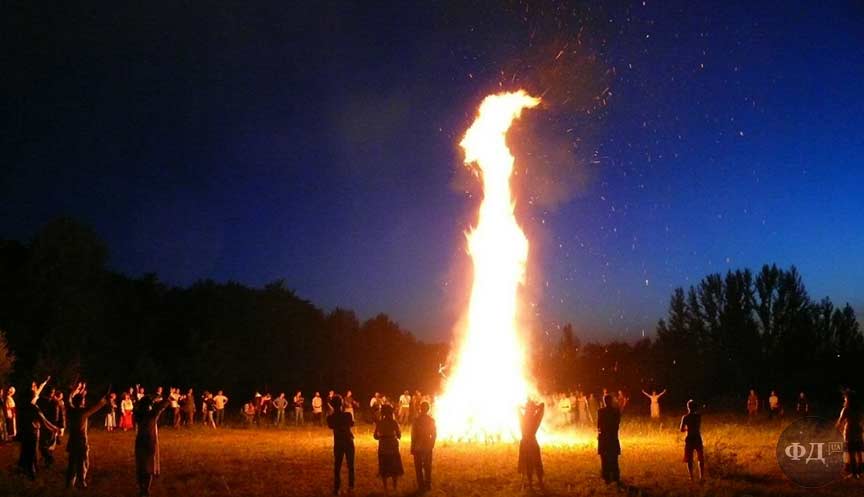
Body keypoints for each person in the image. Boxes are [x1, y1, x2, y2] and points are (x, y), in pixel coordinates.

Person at [65, 383, 108, 488]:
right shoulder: (83, 412)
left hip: (72, 440)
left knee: (72, 461)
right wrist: (104, 399)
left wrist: (73, 391)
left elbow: (68, 399)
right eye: (83, 400)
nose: (85, 402)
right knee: (83, 460)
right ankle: (81, 480)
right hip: (81, 440)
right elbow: (97, 406)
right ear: (81, 402)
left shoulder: (71, 410)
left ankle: (70, 482)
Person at [19, 377, 60, 479]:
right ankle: (32, 473)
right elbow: (44, 420)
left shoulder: (23, 406)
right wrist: (54, 428)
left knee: (25, 450)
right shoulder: (34, 407)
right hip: (32, 432)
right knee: (32, 452)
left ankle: (24, 469)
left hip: (25, 432)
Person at [134, 395, 171, 497]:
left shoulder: (138, 414)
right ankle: (145, 490)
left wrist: (151, 401)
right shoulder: (151, 415)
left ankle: (142, 489)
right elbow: (161, 406)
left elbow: (138, 406)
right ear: (149, 405)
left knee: (140, 466)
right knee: (148, 467)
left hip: (140, 441)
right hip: (149, 442)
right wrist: (167, 399)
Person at [327, 395, 355, 495]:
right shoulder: (347, 415)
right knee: (351, 465)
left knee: (337, 466)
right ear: (342, 403)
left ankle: (337, 487)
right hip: (348, 441)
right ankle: (351, 487)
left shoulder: (330, 418)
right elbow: (352, 423)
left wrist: (332, 412)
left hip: (338, 443)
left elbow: (330, 425)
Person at [374, 404, 404, 494]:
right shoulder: (394, 422)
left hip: (383, 446)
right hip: (393, 446)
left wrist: (381, 437)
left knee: (384, 466)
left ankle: (385, 487)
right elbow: (399, 435)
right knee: (394, 466)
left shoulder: (380, 422)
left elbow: (375, 436)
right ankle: (394, 486)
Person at [518, 399, 545, 490]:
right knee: (537, 462)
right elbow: (542, 405)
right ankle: (540, 481)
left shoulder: (522, 418)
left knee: (527, 463)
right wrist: (535, 407)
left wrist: (524, 407)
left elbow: (516, 407)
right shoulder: (535, 418)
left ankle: (530, 483)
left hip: (525, 442)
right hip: (533, 442)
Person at [836, 391, 863, 479]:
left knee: (851, 453)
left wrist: (838, 427)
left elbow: (840, 421)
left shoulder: (846, 409)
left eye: (845, 398)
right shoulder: (859, 409)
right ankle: (860, 471)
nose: (844, 399)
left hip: (850, 432)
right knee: (859, 452)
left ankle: (854, 473)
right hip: (858, 432)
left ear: (848, 399)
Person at [411, 400, 436, 492]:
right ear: (428, 409)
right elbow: (434, 434)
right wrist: (432, 444)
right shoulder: (431, 420)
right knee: (427, 466)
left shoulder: (416, 420)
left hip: (418, 446)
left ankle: (421, 485)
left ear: (420, 409)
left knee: (418, 467)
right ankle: (428, 484)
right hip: (428, 446)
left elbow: (413, 435)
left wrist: (412, 447)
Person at [597, 394, 621, 484]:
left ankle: (606, 475)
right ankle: (615, 476)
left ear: (604, 401)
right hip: (612, 436)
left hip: (604, 437)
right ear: (611, 401)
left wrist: (599, 435)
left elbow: (599, 425)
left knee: (604, 457)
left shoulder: (601, 411)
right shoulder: (616, 411)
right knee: (614, 457)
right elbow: (617, 423)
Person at [680, 399, 705, 481]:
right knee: (700, 458)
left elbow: (681, 429)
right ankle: (701, 476)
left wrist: (687, 429)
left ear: (688, 407)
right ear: (695, 407)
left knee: (689, 458)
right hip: (697, 437)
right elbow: (701, 411)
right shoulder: (698, 416)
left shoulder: (685, 417)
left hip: (689, 438)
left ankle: (691, 477)